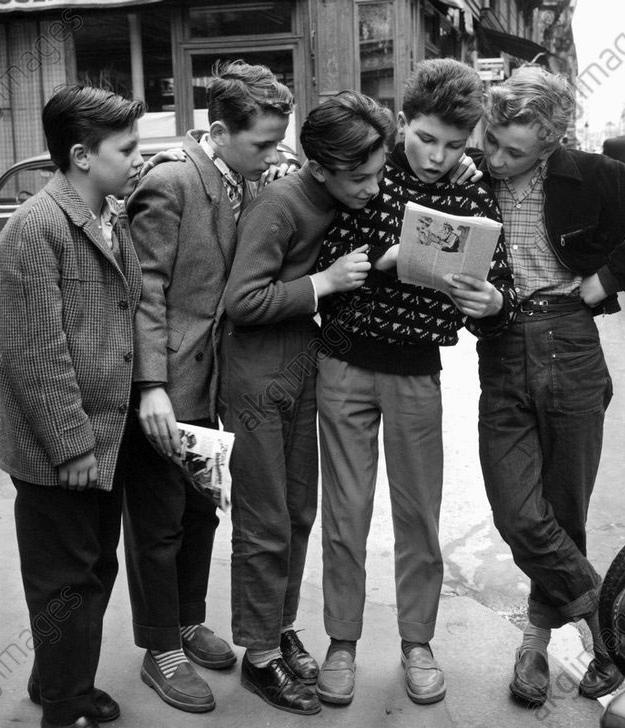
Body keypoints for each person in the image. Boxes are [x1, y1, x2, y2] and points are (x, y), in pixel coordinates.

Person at [472, 64, 625, 708]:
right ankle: (605, 623)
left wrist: (606, 280)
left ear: (549, 144)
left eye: (514, 151)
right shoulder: (470, 176)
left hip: (571, 343)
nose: (496, 159)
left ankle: (535, 643)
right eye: (490, 142)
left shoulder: (589, 174)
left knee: (564, 511)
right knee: (517, 513)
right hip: (502, 346)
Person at [313, 58, 517, 707]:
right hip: (343, 361)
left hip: (415, 371)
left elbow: (502, 284)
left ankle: (416, 643)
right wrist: (384, 264)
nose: (436, 155)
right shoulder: (364, 173)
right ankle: (341, 643)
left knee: (417, 517)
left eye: (453, 145)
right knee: (344, 515)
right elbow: (317, 259)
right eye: (426, 138)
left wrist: (491, 304)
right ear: (403, 121)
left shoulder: (471, 193)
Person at [122, 60, 294, 714]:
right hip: (169, 388)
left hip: (214, 388)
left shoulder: (242, 178)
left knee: (199, 512)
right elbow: (143, 293)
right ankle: (159, 649)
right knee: (159, 522)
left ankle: (188, 621)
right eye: (260, 144)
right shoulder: (171, 182)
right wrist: (150, 387)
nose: (271, 154)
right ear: (218, 131)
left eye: (279, 141)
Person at [219, 90, 395, 716]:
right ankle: (258, 657)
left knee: (297, 513)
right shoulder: (279, 204)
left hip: (302, 369)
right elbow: (242, 302)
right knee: (265, 523)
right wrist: (321, 284)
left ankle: (277, 626)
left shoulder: (334, 191)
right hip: (257, 378)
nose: (373, 188)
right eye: (361, 177)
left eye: (378, 172)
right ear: (319, 168)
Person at [0, 85, 145, 728]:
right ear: (82, 155)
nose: (140, 159)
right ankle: (64, 704)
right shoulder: (36, 229)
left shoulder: (110, 213)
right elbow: (31, 356)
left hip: (102, 441)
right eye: (127, 149)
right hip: (62, 453)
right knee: (65, 584)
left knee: (90, 571)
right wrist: (74, 446)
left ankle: (59, 678)